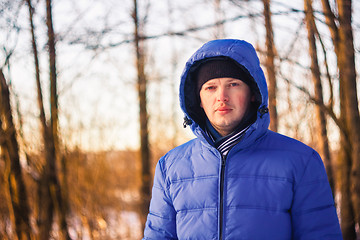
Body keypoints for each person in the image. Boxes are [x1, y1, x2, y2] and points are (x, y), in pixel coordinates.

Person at [142, 39, 342, 239]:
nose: (222, 96)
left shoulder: (302, 161)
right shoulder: (170, 167)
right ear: (199, 100)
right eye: (211, 87)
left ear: (253, 94)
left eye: (233, 84)